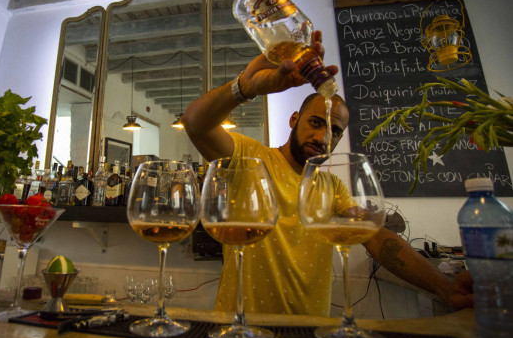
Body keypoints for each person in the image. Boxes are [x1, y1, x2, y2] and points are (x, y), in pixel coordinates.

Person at [181, 30, 473, 316]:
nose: (323, 139)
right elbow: (194, 122)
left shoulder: (332, 187)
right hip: (241, 330)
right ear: (295, 120)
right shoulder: (252, 158)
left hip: (312, 333)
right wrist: (245, 86)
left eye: (335, 131)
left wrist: (444, 287)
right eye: (317, 123)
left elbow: (377, 238)